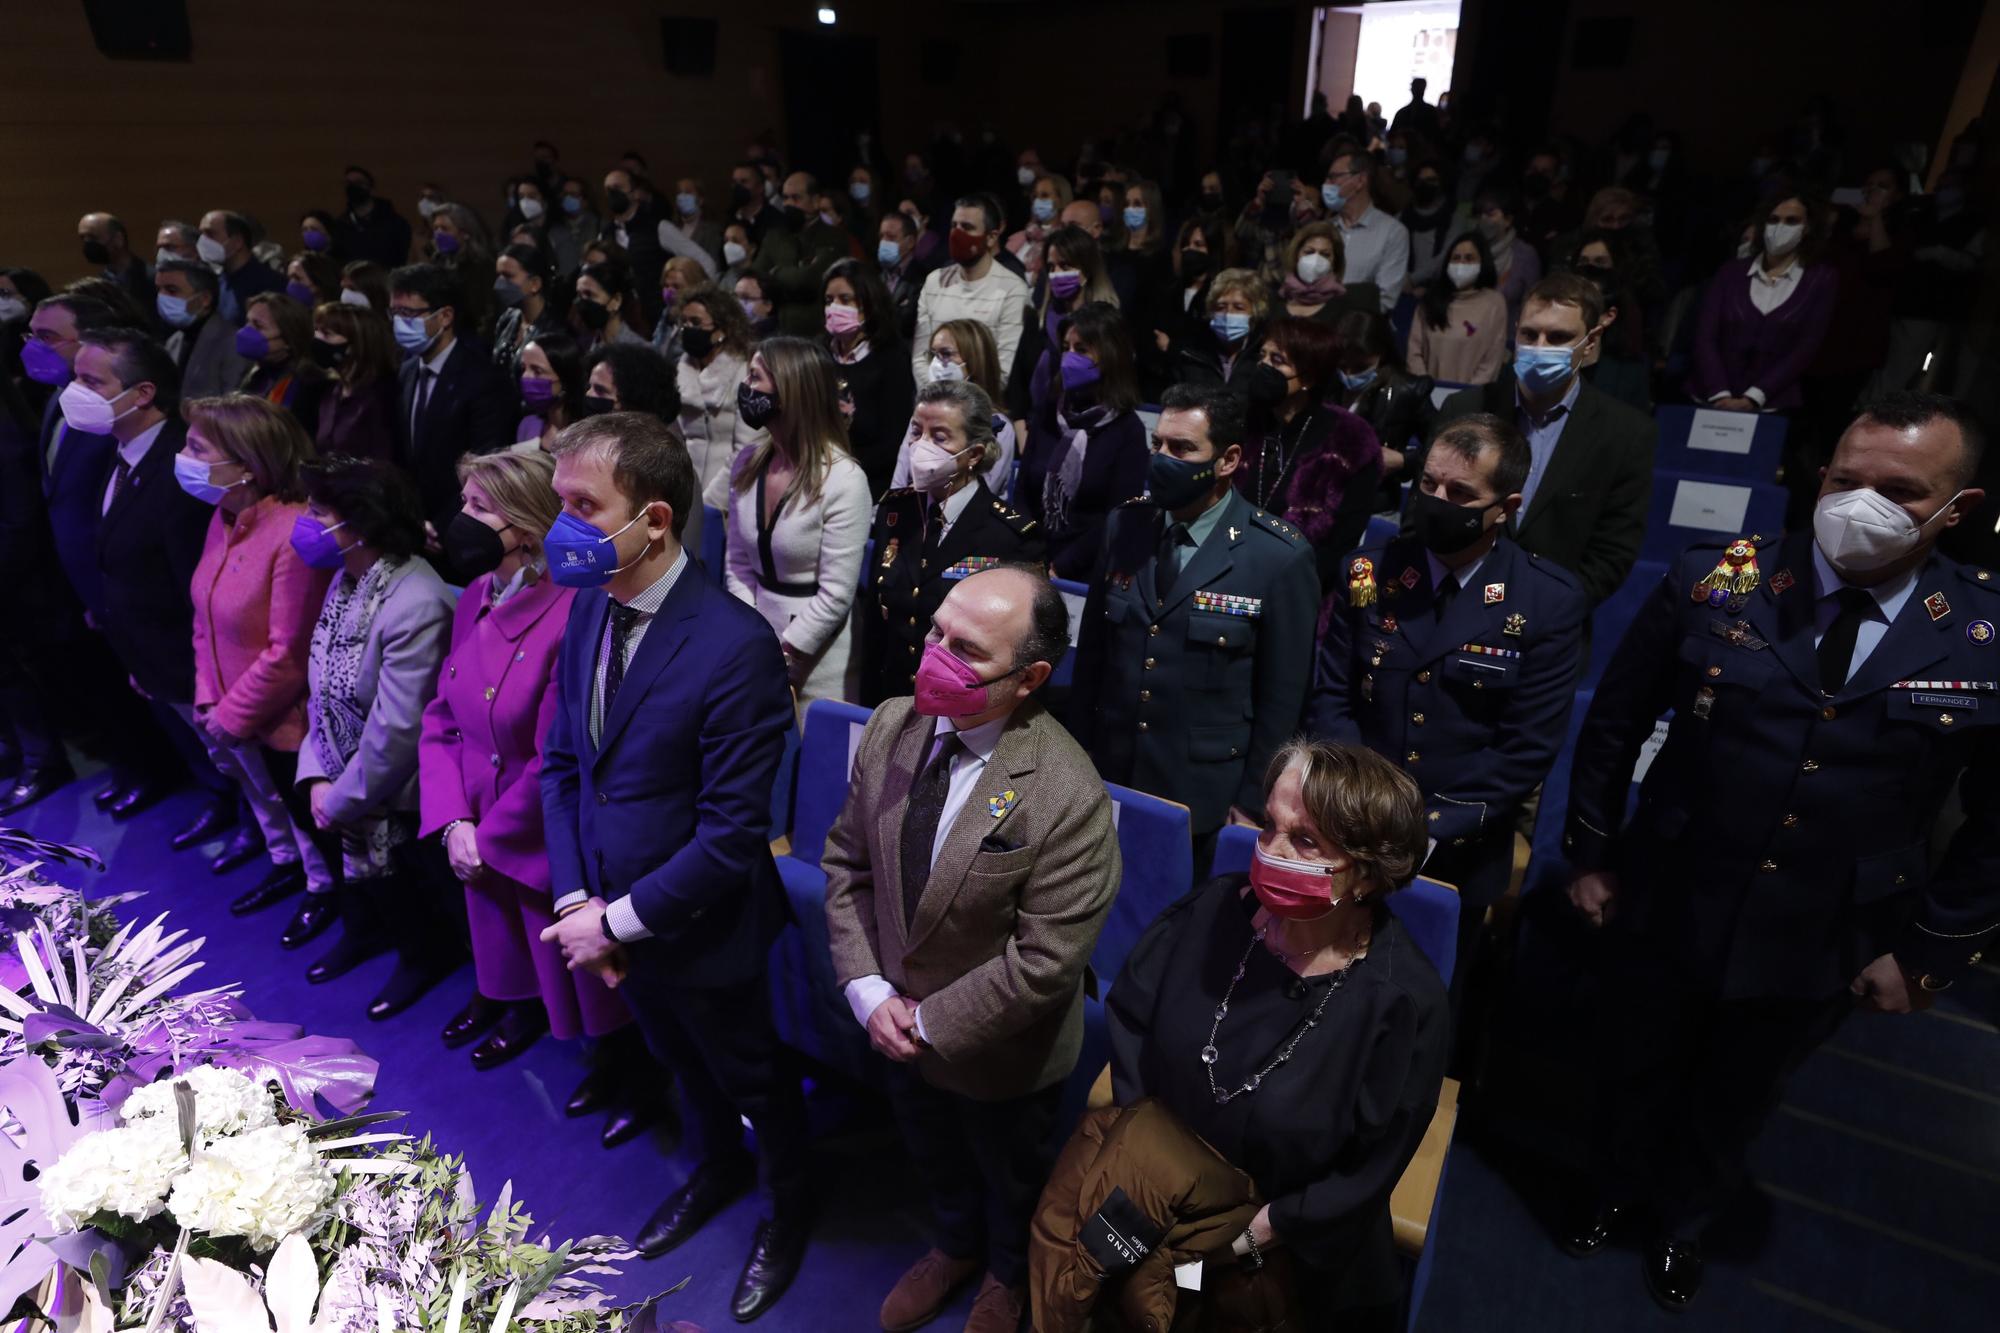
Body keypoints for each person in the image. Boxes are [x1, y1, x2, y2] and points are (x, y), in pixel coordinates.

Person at [1559, 393, 2000, 1311]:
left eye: (1899, 490)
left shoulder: (1980, 637)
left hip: (1827, 925)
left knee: (1739, 1094)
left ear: (1957, 511)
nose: (1861, 502)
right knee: (1632, 1060)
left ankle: (1682, 1220)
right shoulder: (1722, 577)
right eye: (1846, 479)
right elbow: (1616, 722)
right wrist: (1594, 851)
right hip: (1674, 888)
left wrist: (1929, 953)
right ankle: (1610, 1186)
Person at [537, 411, 809, 1321]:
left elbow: (733, 835)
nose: (561, 522)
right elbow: (566, 764)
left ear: (653, 519)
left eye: (584, 503)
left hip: (705, 926)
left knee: (754, 1079)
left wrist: (610, 922)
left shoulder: (734, 647)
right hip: (613, 916)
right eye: (559, 499)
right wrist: (580, 898)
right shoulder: (589, 605)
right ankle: (717, 1169)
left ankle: (789, 1206)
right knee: (678, 1063)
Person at [825, 565, 1117, 1332]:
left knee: (1009, 1176)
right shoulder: (893, 723)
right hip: (892, 1023)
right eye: (936, 633)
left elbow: (1045, 963)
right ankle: (953, 1245)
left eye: (967, 649)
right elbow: (847, 866)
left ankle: (1005, 1273)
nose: (936, 655)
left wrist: (926, 1022)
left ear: (1031, 677)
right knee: (932, 1154)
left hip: (1001, 1055)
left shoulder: (1067, 790)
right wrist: (869, 994)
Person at [1105, 739, 1449, 1331]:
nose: (1270, 851)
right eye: (1269, 826)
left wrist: (1238, 1240)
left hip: (1279, 1251)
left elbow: (1366, 1170)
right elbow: (1133, 1017)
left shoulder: (1401, 1006)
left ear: (1367, 873)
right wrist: (1145, 1163)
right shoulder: (1213, 909)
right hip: (1154, 1192)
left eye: (1305, 840)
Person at [1311, 413, 1584, 1003]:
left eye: (1460, 493)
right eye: (1429, 484)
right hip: (1349, 830)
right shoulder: (1370, 571)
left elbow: (1526, 748)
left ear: (1505, 507)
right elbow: (1334, 694)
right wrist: (1359, 807)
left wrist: (1423, 829)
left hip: (1454, 852)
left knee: (1419, 1007)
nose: (1437, 500)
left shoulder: (1547, 603)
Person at [419, 449, 651, 1134]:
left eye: (476, 508)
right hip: (479, 818)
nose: (457, 521)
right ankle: (522, 1011)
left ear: (522, 527)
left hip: (535, 828)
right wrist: (452, 819)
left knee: (583, 977)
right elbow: (441, 716)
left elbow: (561, 752)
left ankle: (624, 1065)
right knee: (515, 959)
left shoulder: (573, 613)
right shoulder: (474, 596)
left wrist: (487, 837)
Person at [1070, 382, 1318, 851]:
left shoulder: (1276, 555)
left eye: (1182, 448)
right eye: (1157, 444)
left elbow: (1283, 700)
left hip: (1204, 794)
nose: (1163, 458)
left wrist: (1253, 801)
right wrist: (1079, 750)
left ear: (1226, 461)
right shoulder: (1125, 524)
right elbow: (1093, 659)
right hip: (1109, 774)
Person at [291, 454, 457, 1018]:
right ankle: (373, 934)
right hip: (344, 774)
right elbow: (321, 690)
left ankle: (423, 956)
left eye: (318, 511)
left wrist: (339, 797)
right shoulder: (346, 578)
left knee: (412, 890)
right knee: (368, 882)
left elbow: (397, 727)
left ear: (355, 524)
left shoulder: (418, 600)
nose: (307, 522)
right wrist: (314, 773)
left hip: (400, 791)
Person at [74, 327, 242, 845]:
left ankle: (253, 826)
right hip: (146, 649)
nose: (75, 394)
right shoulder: (119, 451)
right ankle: (227, 802)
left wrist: (196, 672)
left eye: (90, 382)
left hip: (186, 656)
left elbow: (193, 577)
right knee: (202, 751)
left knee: (237, 760)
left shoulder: (182, 465)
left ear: (142, 393)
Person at [177, 395, 338, 924]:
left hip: (285, 722)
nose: (185, 456)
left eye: (198, 448)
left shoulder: (293, 532)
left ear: (246, 464)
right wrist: (206, 696)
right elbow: (203, 613)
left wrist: (228, 717)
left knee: (311, 827)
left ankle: (325, 894)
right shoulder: (224, 515)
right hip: (233, 711)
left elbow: (289, 651)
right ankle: (291, 868)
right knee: (270, 810)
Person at [1433, 274, 1654, 607]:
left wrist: (1542, 611)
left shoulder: (1626, 433)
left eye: (1558, 337)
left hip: (1550, 628)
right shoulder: (1464, 409)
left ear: (1590, 343)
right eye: (1529, 334)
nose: (1540, 347)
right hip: (1451, 608)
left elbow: (1612, 554)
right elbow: (1427, 518)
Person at [863, 380, 1045, 705]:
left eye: (940, 437)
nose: (921, 445)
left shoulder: (1008, 535)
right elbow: (876, 629)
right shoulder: (895, 512)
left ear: (973, 454)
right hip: (891, 701)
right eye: (917, 432)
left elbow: (1020, 649)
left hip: (964, 710)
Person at [723, 337, 872, 705]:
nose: (746, 388)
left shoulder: (844, 479)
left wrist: (783, 652)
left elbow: (837, 593)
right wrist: (751, 637)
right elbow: (737, 563)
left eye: (755, 378)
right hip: (753, 643)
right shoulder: (746, 463)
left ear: (791, 390)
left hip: (819, 659)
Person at [1237, 318, 1383, 599]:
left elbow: (1342, 540)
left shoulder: (1351, 439)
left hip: (1299, 589)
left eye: (1277, 360)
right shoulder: (1243, 421)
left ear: (1309, 378)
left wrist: (1282, 589)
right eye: (1262, 356)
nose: (1264, 366)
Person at [1020, 302, 1146, 580]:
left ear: (1111, 355)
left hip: (1084, 572)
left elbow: (1117, 517)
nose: (1069, 358)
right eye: (1066, 348)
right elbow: (1023, 493)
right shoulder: (1048, 413)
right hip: (1030, 560)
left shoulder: (1128, 430)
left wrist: (1061, 567)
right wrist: (1031, 554)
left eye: (1081, 350)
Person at [389, 264, 514, 543]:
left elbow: (484, 463)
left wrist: (442, 525)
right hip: (413, 528)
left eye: (408, 313)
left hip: (457, 531)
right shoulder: (407, 370)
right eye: (394, 313)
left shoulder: (482, 379)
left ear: (445, 316)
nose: (399, 322)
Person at [1687, 191, 1838, 414]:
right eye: (1774, 219)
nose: (1780, 227)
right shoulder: (1731, 272)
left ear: (1807, 228)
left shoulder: (1821, 279)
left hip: (1773, 404)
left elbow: (1806, 346)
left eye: (1792, 221)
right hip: (1711, 397)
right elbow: (1705, 335)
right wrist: (1720, 392)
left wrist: (1755, 396)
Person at [911, 197, 1030, 386]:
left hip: (981, 406)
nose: (957, 234)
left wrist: (961, 406)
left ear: (991, 237)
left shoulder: (1013, 289)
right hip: (934, 400)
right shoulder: (934, 282)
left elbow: (1003, 369)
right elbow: (920, 356)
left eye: (967, 227)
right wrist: (936, 397)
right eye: (954, 226)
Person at [892, 319, 1017, 494]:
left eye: (946, 354)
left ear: (975, 361)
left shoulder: (998, 425)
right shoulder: (922, 416)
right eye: (933, 354)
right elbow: (899, 481)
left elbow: (983, 491)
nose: (937, 363)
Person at [821, 259, 914, 496]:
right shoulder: (818, 353)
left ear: (868, 304)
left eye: (845, 299)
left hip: (867, 486)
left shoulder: (892, 358)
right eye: (829, 301)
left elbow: (894, 441)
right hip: (816, 478)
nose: (834, 308)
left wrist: (841, 471)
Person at [670, 283, 765, 509]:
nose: (687, 329)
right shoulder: (679, 371)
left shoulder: (745, 373)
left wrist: (709, 503)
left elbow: (747, 450)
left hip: (730, 494)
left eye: (695, 323)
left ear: (722, 330)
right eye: (683, 322)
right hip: (685, 493)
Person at [1407, 232, 1510, 386]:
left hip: (1471, 398)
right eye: (1456, 258)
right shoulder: (1430, 300)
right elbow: (1414, 353)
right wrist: (1426, 390)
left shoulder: (1494, 303)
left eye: (1469, 258)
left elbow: (1492, 360)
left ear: (1482, 262)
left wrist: (1466, 396)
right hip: (1427, 394)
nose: (1461, 264)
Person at [309, 300, 400, 464]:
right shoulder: (331, 393)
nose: (317, 339)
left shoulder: (382, 396)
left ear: (356, 344)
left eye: (327, 333)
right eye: (316, 331)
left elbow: (383, 463)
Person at [1323, 151, 1409, 314]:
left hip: (1362, 331)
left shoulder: (1393, 232)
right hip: (1320, 330)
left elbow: (1385, 300)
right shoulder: (1324, 229)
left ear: (1360, 180)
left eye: (1334, 177)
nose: (1327, 183)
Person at [155, 260, 251, 401]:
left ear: (205, 298)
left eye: (172, 290)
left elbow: (234, 406)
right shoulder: (173, 341)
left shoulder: (233, 343)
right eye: (159, 289)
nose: (162, 297)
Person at [235, 293, 328, 428]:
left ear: (288, 339)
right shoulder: (256, 373)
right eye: (247, 322)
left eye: (258, 326)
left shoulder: (308, 386)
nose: (246, 331)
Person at [1174, 267, 1269, 394]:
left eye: (1238, 307)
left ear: (1255, 313)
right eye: (1221, 307)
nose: (1228, 313)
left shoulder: (1264, 357)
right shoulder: (1191, 354)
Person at [1474, 187, 1543, 330]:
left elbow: (1532, 303)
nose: (1483, 219)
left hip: (1509, 336)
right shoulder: (1469, 250)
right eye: (1480, 215)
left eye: (1490, 214)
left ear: (1508, 220)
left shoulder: (1525, 254)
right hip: (1470, 331)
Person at [199, 210, 285, 323]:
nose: (203, 241)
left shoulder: (271, 285)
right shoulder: (216, 283)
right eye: (201, 234)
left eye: (210, 234)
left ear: (237, 242)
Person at [491, 242, 564, 371]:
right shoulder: (508, 318)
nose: (499, 284)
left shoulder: (554, 331)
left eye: (508, 276)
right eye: (499, 276)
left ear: (535, 284)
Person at [515, 332, 585, 451]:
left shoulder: (586, 436)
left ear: (565, 378)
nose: (525, 377)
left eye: (537, 371)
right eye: (523, 368)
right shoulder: (528, 425)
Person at [333, 166, 414, 269]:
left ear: (371, 187)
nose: (353, 187)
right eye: (349, 183)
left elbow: (404, 258)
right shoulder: (340, 226)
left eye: (358, 183)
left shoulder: (396, 224)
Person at [1005, 173, 1072, 290]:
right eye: (1035, 196)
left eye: (1044, 195)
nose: (1038, 201)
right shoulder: (1019, 238)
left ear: (1061, 200)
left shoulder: (1066, 241)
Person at [571, 257, 647, 353]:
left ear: (616, 301)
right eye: (579, 295)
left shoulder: (639, 352)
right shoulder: (589, 348)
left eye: (589, 294)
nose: (582, 302)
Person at [877, 210, 932, 342]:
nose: (884, 242)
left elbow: (909, 324)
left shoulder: (923, 279)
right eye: (881, 236)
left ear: (910, 242)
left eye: (891, 237)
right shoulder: (876, 277)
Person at [76, 212, 151, 307]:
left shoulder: (153, 280)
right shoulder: (98, 286)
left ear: (118, 239)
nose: (87, 244)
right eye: (83, 238)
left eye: (93, 237)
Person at [1280, 222, 1348, 322]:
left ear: (1334, 262)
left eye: (1325, 254)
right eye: (1309, 252)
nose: (1315, 259)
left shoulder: (1344, 309)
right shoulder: (1278, 300)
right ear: (1296, 255)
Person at [652, 255, 711, 363]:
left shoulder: (701, 324)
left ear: (695, 288)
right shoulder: (667, 314)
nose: (669, 292)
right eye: (666, 286)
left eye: (676, 287)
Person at [549, 178, 602, 276]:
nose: (567, 198)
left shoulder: (600, 226)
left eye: (573, 195)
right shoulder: (555, 229)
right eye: (565, 194)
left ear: (585, 200)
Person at [669, 176, 726, 267]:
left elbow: (713, 264)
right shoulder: (672, 228)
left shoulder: (712, 231)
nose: (683, 197)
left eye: (687, 192)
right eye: (680, 193)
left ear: (700, 199)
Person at [1392, 78, 1442, 144]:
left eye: (1419, 88)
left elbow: (1392, 135)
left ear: (1411, 89)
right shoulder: (1430, 110)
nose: (1418, 90)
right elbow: (1437, 134)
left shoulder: (1402, 112)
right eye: (1418, 88)